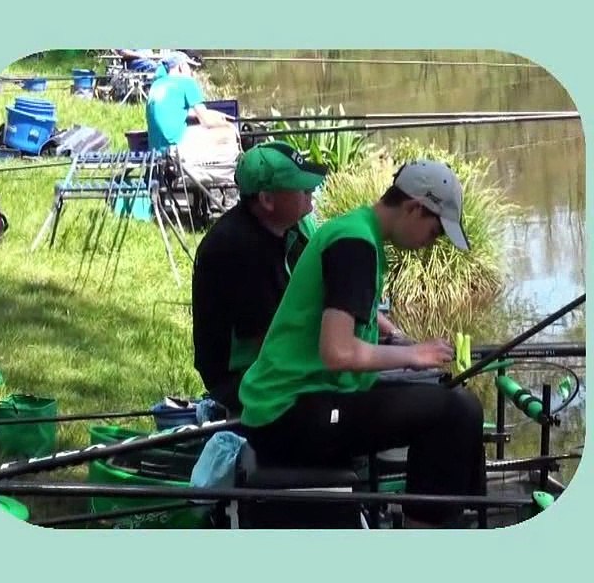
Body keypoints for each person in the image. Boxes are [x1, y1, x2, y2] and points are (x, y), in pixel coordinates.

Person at [237, 159, 485, 528]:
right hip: (289, 413)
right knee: (452, 414)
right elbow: (337, 352)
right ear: (415, 207)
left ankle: (462, 516)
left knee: (461, 402)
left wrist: (397, 339)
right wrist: (412, 355)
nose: (429, 244)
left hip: (305, 399)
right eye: (434, 232)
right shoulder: (355, 244)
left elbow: (349, 317)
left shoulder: (357, 231)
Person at [191, 141, 328, 417]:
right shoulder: (238, 248)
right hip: (242, 379)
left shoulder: (294, 225)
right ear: (267, 200)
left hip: (279, 361)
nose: (311, 192)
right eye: (302, 188)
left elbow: (333, 283)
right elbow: (270, 341)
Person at [145, 51, 234, 152]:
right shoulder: (186, 82)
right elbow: (207, 122)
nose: (192, 72)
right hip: (174, 148)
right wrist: (229, 125)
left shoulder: (156, 85)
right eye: (190, 67)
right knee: (226, 132)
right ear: (181, 67)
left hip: (155, 149)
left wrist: (213, 114)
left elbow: (173, 111)